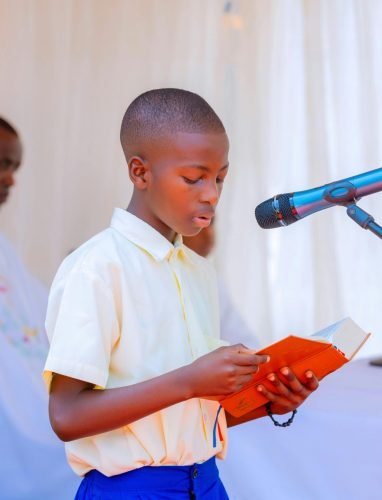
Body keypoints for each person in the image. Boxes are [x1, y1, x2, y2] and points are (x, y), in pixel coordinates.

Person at [44, 89, 319, 499]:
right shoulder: (97, 269)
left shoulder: (199, 272)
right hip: (131, 490)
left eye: (220, 178)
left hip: (206, 483)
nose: (211, 194)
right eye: (193, 178)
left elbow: (183, 417)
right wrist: (190, 381)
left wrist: (267, 402)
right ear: (140, 173)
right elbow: (66, 415)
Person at [0, 117, 80, 499]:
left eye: (14, 167)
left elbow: (44, 316)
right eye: (2, 164)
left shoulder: (3, 250)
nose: (11, 180)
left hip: (38, 401)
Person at [183, 221, 259, 349]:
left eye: (211, 223)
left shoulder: (211, 279)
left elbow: (246, 344)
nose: (209, 233)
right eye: (199, 224)